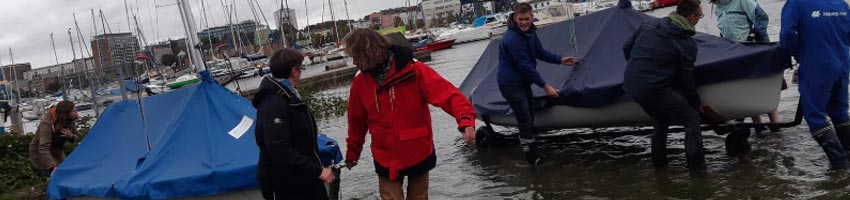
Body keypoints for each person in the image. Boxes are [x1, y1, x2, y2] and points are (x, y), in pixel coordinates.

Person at [343, 28, 477, 200]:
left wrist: (465, 120)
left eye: (357, 56)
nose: (354, 62)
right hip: (385, 155)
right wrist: (352, 154)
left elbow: (448, 95)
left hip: (417, 149)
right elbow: (356, 122)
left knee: (419, 197)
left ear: (370, 53)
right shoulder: (360, 81)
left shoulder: (414, 70)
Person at [622, 0, 706, 169]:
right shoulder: (687, 44)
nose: (700, 19)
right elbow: (686, 81)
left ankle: (659, 167)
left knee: (661, 118)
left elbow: (626, 47)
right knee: (691, 118)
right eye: (700, 15)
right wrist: (697, 104)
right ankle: (697, 170)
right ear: (691, 17)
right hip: (654, 87)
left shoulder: (649, 24)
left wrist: (640, 66)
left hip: (631, 83)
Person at [497, 2, 579, 165]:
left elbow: (540, 52)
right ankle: (532, 160)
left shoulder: (531, 32)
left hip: (523, 82)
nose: (524, 22)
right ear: (515, 17)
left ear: (532, 17)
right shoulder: (511, 39)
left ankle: (532, 148)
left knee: (530, 116)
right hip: (511, 84)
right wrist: (545, 86)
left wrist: (561, 60)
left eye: (527, 19)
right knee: (525, 119)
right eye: (520, 19)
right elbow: (525, 67)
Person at [252, 48, 333, 199]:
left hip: (304, 179)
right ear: (294, 71)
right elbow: (279, 148)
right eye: (301, 69)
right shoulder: (273, 102)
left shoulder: (289, 97)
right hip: (288, 185)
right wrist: (318, 171)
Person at [780, 0, 850, 169]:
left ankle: (840, 165)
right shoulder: (841, 3)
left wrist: (798, 54)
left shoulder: (796, 3)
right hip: (842, 62)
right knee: (840, 112)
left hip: (817, 64)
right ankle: (847, 158)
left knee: (815, 116)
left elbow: (787, 35)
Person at [28, 101, 79, 177]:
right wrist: (52, 166)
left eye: (76, 110)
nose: (76, 113)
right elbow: (43, 148)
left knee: (66, 171)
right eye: (73, 111)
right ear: (66, 113)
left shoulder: (69, 120)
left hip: (57, 150)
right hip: (40, 153)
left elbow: (77, 136)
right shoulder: (47, 123)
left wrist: (71, 136)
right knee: (54, 174)